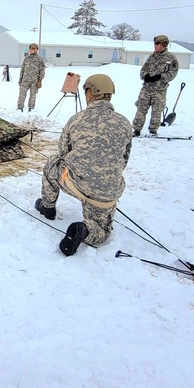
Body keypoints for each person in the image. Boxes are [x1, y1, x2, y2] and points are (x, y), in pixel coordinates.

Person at [35, 74, 134, 256]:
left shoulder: (76, 120)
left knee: (52, 164)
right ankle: (85, 230)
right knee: (102, 231)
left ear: (90, 92)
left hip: (74, 183)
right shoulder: (125, 124)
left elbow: (63, 152)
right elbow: (124, 159)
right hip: (106, 192)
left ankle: (48, 207)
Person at [132, 34, 180, 137]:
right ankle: (136, 129)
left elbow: (173, 73)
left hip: (159, 90)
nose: (155, 45)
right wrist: (145, 76)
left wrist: (160, 77)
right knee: (140, 109)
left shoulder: (171, 58)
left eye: (157, 43)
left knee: (156, 112)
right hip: (146, 89)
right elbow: (143, 70)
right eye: (155, 43)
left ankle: (153, 131)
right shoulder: (152, 57)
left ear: (164, 44)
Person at [17, 43, 46, 111]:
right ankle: (20, 107)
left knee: (33, 95)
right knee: (22, 94)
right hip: (25, 80)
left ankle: (31, 108)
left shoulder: (39, 59)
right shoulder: (26, 59)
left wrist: (40, 80)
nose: (31, 50)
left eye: (33, 49)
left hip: (34, 81)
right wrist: (20, 80)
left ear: (36, 50)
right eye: (30, 49)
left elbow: (42, 70)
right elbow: (22, 70)